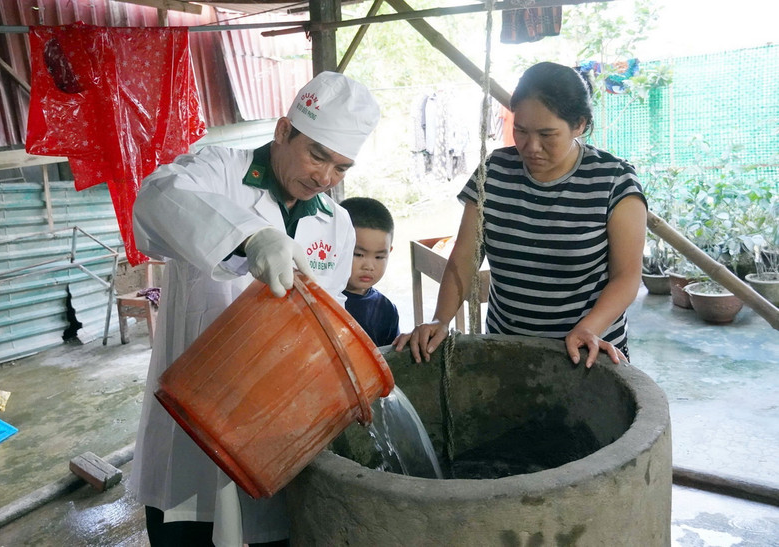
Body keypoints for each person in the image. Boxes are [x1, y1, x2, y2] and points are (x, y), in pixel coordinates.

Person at [127, 71, 380, 547]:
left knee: (271, 530)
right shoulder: (217, 170)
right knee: (191, 528)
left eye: (340, 168)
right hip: (195, 410)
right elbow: (154, 202)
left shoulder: (337, 224)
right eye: (317, 155)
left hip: (274, 421)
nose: (323, 177)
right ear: (283, 130)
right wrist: (251, 235)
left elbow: (327, 325)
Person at [394, 61, 647, 369]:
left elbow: (626, 277)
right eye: (521, 131)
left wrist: (588, 328)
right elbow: (465, 258)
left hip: (586, 354)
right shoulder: (495, 172)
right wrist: (440, 318)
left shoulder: (613, 181)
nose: (531, 147)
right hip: (508, 349)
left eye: (547, 134)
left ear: (579, 125)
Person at [339, 197, 400, 346]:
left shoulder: (386, 309)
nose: (369, 266)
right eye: (358, 254)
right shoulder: (321, 299)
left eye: (379, 256)